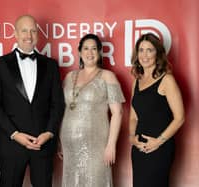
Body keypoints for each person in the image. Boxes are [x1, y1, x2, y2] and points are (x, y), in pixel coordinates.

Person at [0, 15, 65, 187]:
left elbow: (57, 103)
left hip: (42, 144)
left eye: (33, 31)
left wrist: (49, 133)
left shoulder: (51, 65)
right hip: (11, 144)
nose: (29, 35)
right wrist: (15, 134)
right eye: (24, 30)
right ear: (15, 33)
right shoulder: (0, 64)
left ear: (38, 34)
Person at [59, 33, 125, 187]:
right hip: (69, 144)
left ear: (100, 52)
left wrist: (111, 145)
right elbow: (64, 109)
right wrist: (59, 142)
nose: (90, 52)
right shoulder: (69, 77)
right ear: (80, 52)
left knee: (95, 181)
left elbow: (118, 113)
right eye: (86, 48)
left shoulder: (108, 76)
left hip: (97, 144)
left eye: (94, 49)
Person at [129, 33, 185, 187]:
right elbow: (133, 116)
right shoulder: (137, 81)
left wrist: (158, 142)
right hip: (139, 148)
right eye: (141, 50)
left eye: (150, 50)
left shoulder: (167, 80)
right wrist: (132, 137)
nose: (144, 55)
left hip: (160, 149)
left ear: (158, 53)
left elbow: (180, 118)